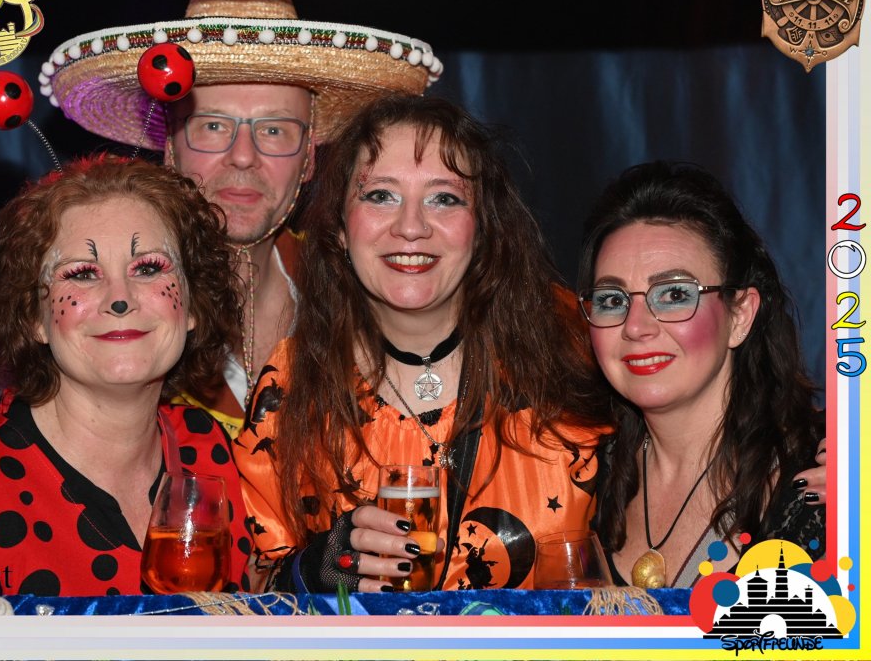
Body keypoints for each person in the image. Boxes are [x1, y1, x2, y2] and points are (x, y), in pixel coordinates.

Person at [0, 0, 439, 439]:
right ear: (169, 147)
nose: (244, 157)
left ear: (309, 158)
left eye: (274, 130)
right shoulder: (81, 306)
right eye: (212, 127)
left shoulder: (361, 285)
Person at [233, 95, 612, 592]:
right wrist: (312, 570)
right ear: (341, 230)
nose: (411, 227)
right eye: (381, 196)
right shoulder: (290, 383)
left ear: (483, 228)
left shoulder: (571, 350)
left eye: (444, 199)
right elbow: (247, 588)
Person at [0, 157, 251, 596]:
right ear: (34, 317)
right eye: (82, 273)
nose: (120, 299)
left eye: (148, 268)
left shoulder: (209, 448)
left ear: (192, 303)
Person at [577, 161, 825, 588]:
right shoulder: (574, 475)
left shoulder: (834, 472)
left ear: (740, 315)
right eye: (612, 300)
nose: (635, 326)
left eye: (674, 294)